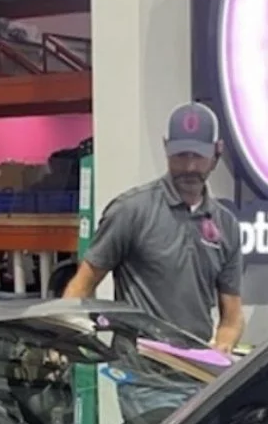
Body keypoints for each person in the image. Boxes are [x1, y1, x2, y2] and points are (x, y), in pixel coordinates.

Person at [63, 102, 245, 352]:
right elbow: (83, 283)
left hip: (198, 374)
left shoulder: (227, 226)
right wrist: (68, 338)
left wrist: (222, 347)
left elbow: (232, 315)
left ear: (217, 151)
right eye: (181, 155)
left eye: (198, 156)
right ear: (166, 148)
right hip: (142, 379)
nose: (189, 167)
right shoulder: (131, 210)